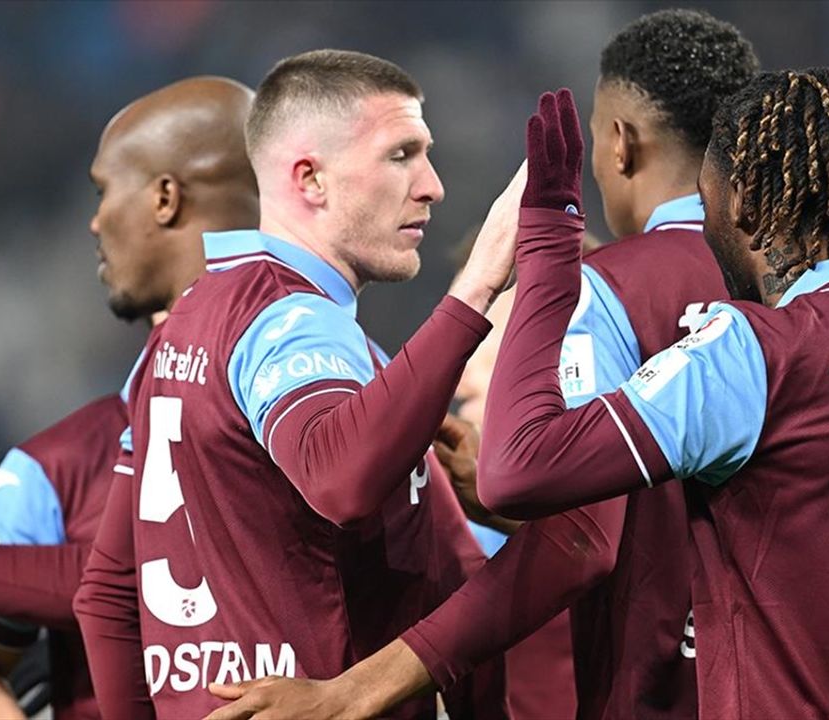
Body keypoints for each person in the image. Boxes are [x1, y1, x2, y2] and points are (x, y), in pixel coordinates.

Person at [204, 14, 760, 720]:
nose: (429, 186)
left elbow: (583, 538)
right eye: (402, 155)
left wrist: (357, 690)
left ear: (619, 143)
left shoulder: (607, 290)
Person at [473, 76, 829, 718]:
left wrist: (547, 256)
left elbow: (514, 469)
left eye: (706, 205)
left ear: (743, 203)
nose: (706, 233)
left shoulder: (758, 352)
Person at [73, 49, 518, 719]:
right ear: (310, 179)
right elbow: (343, 480)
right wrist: (476, 288)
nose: (432, 186)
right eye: (401, 155)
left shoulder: (186, 322)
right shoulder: (292, 321)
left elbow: (106, 591)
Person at [0, 76, 261, 720]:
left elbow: (149, 572)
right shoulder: (52, 470)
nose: (94, 222)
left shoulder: (331, 396)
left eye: (103, 191)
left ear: (165, 198)